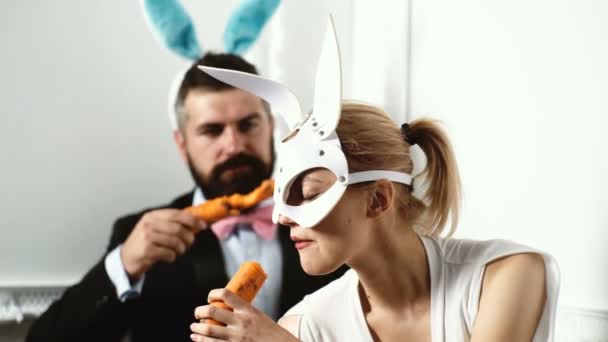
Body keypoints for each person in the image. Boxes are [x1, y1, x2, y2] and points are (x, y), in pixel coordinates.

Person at [188, 19, 560, 342]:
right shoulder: (306, 325)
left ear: (378, 200)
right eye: (285, 196)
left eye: (310, 194)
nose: (283, 217)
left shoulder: (505, 276)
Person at [26, 52, 346, 342]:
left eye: (247, 125)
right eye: (212, 130)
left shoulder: (327, 218)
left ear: (271, 127)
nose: (234, 145)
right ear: (182, 145)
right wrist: (124, 266)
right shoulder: (137, 236)